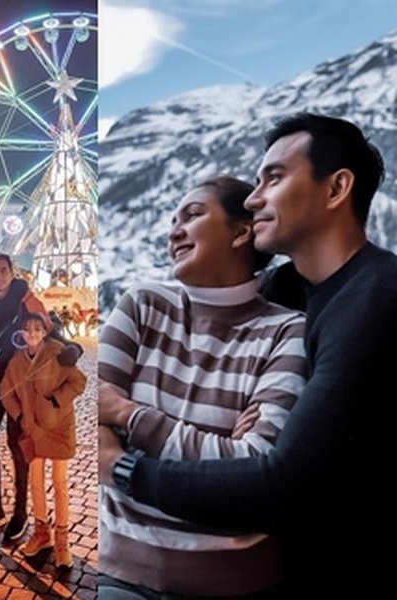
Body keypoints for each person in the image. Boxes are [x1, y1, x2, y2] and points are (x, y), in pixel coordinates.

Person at [98, 113, 387, 594]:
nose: (255, 201)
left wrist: (124, 457)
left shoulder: (372, 303)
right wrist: (221, 449)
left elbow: (269, 482)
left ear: (336, 189)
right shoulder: (294, 290)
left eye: (273, 178)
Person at [96, 176, 307, 596]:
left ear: (241, 231)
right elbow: (95, 438)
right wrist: (218, 445)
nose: (174, 230)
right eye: (174, 219)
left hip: (237, 584)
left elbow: (254, 468)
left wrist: (127, 416)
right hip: (119, 575)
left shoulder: (288, 330)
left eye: (193, 215)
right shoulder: (142, 305)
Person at [0, 253, 49, 541]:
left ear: (13, 272)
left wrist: (66, 352)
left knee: (18, 448)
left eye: (4, 271)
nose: (0, 276)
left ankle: (20, 513)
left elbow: (50, 332)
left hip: (19, 385)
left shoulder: (28, 302)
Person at [2, 311, 87, 568]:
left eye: (37, 328)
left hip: (59, 426)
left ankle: (62, 538)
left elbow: (78, 382)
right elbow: (5, 391)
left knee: (59, 483)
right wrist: (18, 416)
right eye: (27, 329)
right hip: (33, 430)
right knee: (35, 482)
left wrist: (55, 400)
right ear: (21, 333)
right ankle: (42, 532)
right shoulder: (16, 361)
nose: (32, 333)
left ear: (45, 330)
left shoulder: (58, 352)